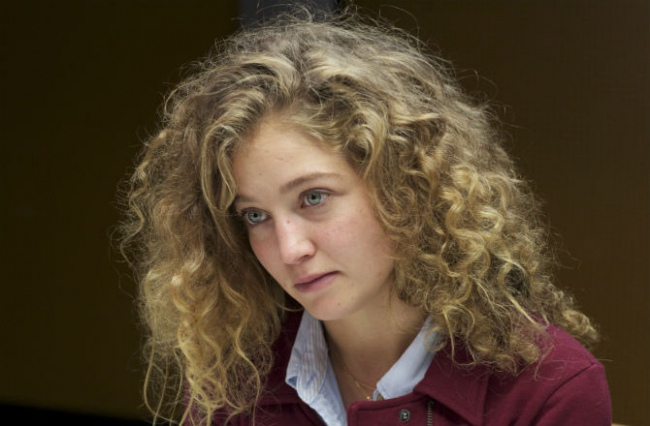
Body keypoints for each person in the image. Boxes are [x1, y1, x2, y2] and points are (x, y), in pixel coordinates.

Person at [118, 6, 612, 426]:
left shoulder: (548, 387)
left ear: (405, 185)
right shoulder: (234, 376)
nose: (290, 249)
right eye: (254, 215)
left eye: (313, 197)